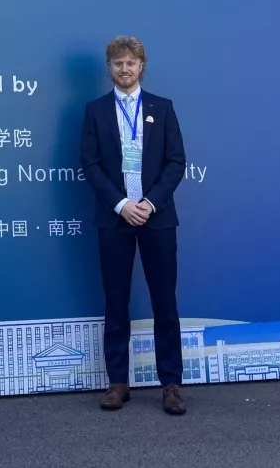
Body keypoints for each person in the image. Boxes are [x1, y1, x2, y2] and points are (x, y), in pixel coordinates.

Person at [79, 36, 187, 416]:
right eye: (117, 63)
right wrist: (123, 204)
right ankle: (117, 383)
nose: (124, 70)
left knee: (165, 303)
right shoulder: (95, 111)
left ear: (142, 66)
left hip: (157, 219)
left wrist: (149, 203)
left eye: (131, 63)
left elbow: (176, 163)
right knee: (115, 301)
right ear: (109, 68)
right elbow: (90, 165)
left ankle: (171, 384)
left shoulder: (163, 107)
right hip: (115, 218)